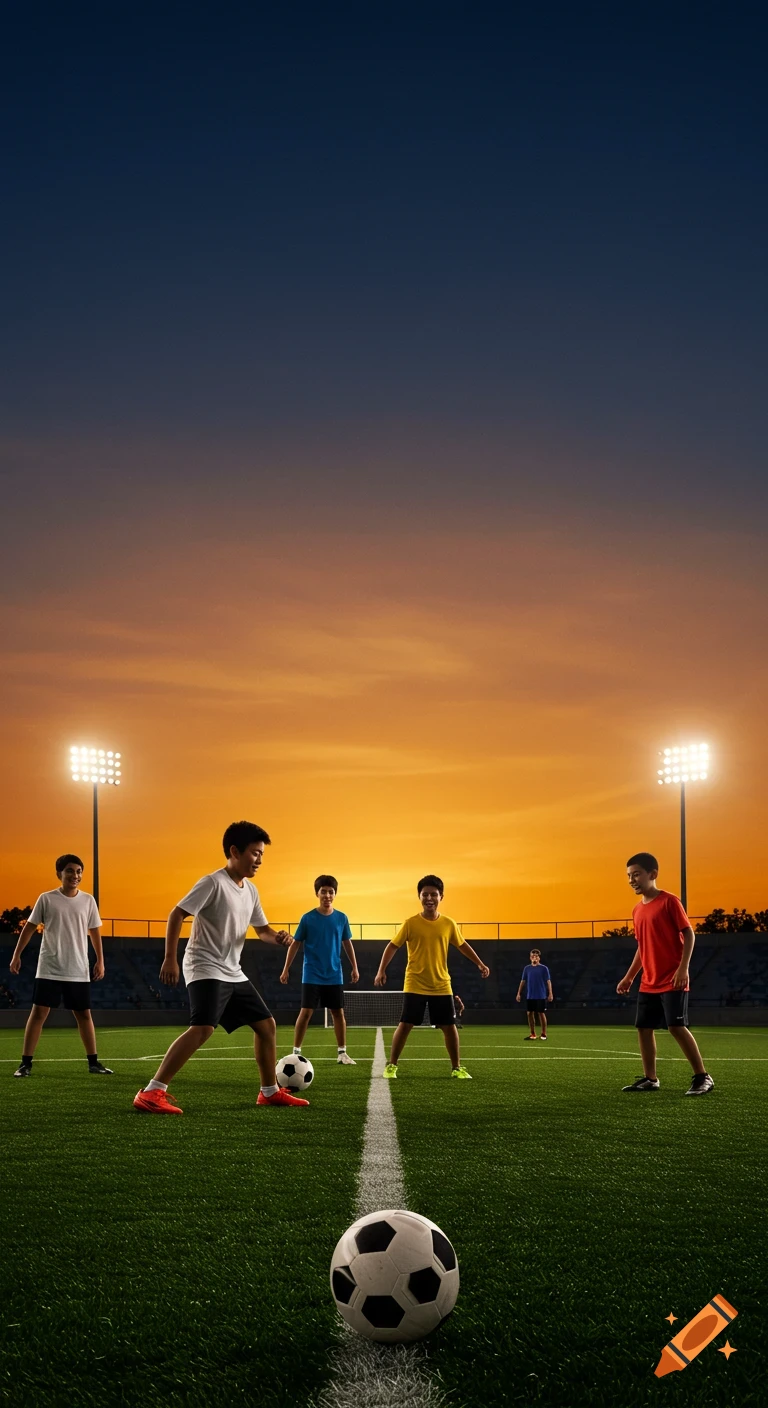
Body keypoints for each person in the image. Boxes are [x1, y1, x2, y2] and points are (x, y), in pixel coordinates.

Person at [133, 821, 308, 1114]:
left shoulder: (250, 890)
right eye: (254, 853)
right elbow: (177, 914)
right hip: (204, 966)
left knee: (267, 1026)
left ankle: (268, 1092)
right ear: (234, 851)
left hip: (232, 970)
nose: (260, 860)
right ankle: (152, 1092)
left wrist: (277, 937)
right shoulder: (212, 883)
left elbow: (261, 929)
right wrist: (169, 957)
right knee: (202, 1029)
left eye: (262, 854)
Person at [374, 875, 490, 1079]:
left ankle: (456, 1068)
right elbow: (392, 945)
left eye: (434, 894)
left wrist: (479, 963)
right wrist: (381, 970)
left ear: (441, 896)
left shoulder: (448, 924)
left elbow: (462, 945)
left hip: (441, 984)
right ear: (419, 896)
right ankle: (391, 1065)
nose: (429, 898)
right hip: (415, 983)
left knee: (449, 1026)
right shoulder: (410, 923)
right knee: (406, 1024)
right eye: (425, 894)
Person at [617, 852, 714, 1096]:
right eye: (629, 876)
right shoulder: (637, 910)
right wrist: (630, 976)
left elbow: (689, 934)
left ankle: (703, 1077)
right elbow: (642, 947)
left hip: (672, 977)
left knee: (675, 1027)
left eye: (636, 874)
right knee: (643, 1027)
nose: (632, 880)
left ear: (653, 874)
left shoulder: (670, 901)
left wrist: (683, 968)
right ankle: (651, 1078)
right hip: (648, 981)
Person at [9, 854, 112, 1077]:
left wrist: (100, 961)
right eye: (70, 871)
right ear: (59, 874)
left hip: (78, 968)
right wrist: (17, 955)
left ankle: (93, 1063)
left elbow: (94, 931)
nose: (75, 875)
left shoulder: (88, 901)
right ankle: (25, 1064)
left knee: (84, 1015)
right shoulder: (46, 899)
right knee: (38, 1014)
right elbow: (29, 927)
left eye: (78, 871)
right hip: (50, 967)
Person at [279, 875, 360, 1064]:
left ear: (335, 894)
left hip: (334, 974)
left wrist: (355, 967)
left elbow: (347, 943)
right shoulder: (307, 918)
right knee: (306, 1012)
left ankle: (342, 1053)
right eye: (323, 891)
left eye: (331, 892)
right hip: (312, 973)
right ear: (317, 893)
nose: (327, 895)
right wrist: (286, 969)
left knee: (337, 1012)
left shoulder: (341, 918)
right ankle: (296, 1052)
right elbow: (295, 944)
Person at [516, 948, 553, 1040]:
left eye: (536, 956)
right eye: (533, 956)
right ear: (530, 957)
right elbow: (523, 981)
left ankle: (544, 1033)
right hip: (530, 995)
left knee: (541, 1013)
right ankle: (532, 1034)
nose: (534, 957)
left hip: (541, 995)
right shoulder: (527, 968)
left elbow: (548, 981)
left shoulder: (544, 968)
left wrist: (550, 993)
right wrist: (518, 993)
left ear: (539, 958)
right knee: (529, 1013)